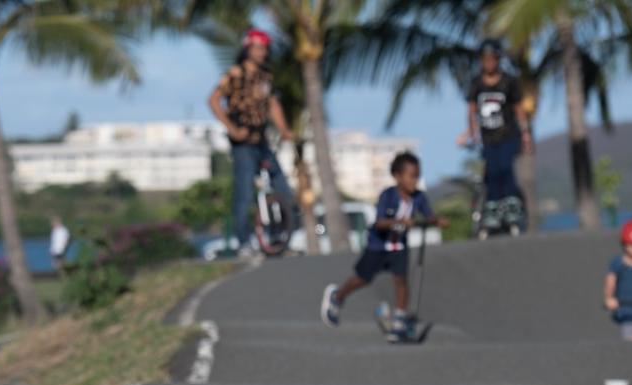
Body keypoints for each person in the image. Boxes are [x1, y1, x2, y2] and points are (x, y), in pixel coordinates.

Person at [320, 152, 446, 340]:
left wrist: (436, 221)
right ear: (397, 176)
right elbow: (379, 223)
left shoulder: (419, 198)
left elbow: (428, 216)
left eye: (417, 176)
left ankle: (399, 318)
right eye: (411, 176)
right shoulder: (388, 196)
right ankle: (338, 296)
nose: (415, 181)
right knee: (363, 278)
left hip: (399, 247)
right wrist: (401, 223)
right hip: (378, 246)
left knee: (401, 280)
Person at [208, 27, 296, 251]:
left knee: (283, 189)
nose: (261, 52)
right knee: (245, 191)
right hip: (242, 142)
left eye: (264, 48)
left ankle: (279, 237)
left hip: (261, 139)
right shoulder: (235, 73)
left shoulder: (265, 77)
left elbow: (273, 104)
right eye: (257, 48)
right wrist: (231, 128)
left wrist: (284, 129)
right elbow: (214, 100)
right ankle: (244, 241)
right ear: (248, 49)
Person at [458, 39, 532, 230]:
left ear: (498, 60)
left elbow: (518, 109)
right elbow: (471, 111)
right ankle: (492, 207)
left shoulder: (509, 81)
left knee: (506, 168)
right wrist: (471, 133)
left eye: (492, 59)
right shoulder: (476, 84)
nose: (489, 63)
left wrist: (525, 133)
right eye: (485, 59)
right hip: (488, 137)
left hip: (509, 134)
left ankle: (511, 207)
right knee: (491, 171)